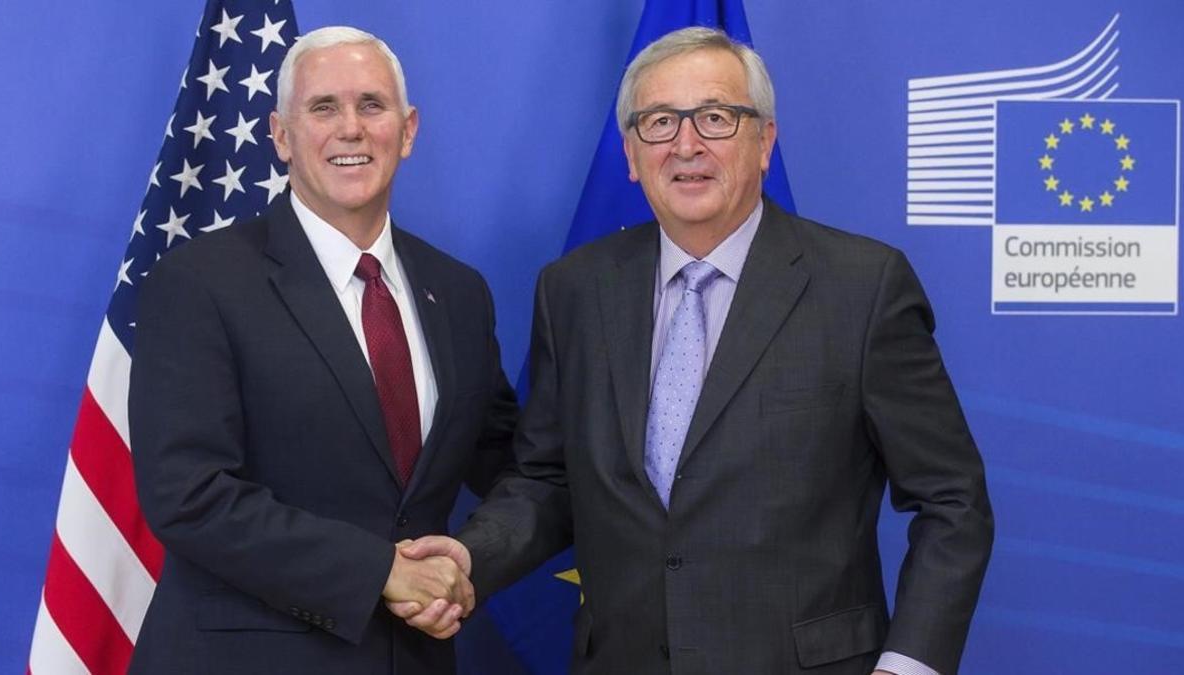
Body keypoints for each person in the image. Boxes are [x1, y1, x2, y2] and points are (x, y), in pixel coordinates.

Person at [399, 26, 993, 675]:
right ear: (630, 153)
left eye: (715, 117)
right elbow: (550, 477)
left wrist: (909, 666)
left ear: (764, 141)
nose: (686, 144)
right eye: (659, 122)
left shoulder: (862, 287)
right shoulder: (573, 289)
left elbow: (953, 501)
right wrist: (472, 557)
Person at [128, 26, 516, 674]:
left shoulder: (457, 292)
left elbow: (509, 460)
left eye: (371, 105)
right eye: (323, 108)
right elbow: (188, 492)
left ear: (409, 128)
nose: (351, 129)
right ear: (281, 135)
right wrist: (379, 571)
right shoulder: (199, 282)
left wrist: (468, 557)